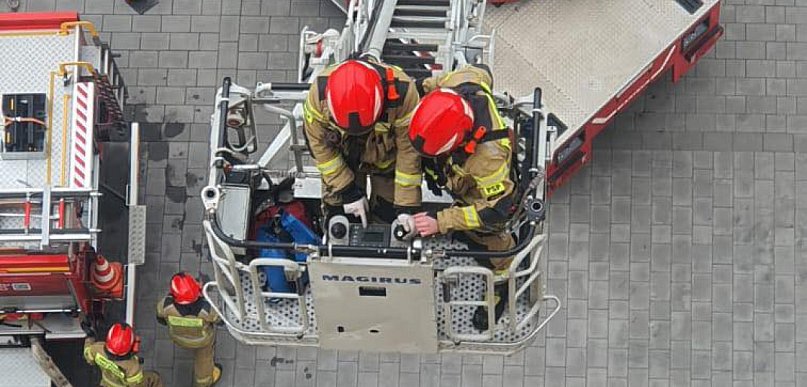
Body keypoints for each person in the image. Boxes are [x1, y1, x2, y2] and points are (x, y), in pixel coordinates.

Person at [408, 64, 516, 330]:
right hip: (455, 174)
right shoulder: (462, 81)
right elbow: (482, 70)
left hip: (482, 198)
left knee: (496, 245)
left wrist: (441, 221)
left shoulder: (487, 159)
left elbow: (496, 210)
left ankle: (499, 287)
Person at [302, 56, 422, 229]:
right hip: (343, 160)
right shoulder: (318, 98)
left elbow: (409, 151)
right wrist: (347, 191)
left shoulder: (403, 94)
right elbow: (321, 150)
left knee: (388, 218)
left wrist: (406, 206)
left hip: (386, 162)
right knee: (339, 218)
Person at [156, 273, 222, 387]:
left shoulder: (165, 306)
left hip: (178, 338)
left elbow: (161, 320)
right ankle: (205, 382)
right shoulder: (206, 309)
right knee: (204, 360)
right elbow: (219, 320)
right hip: (202, 342)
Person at [83, 322, 163, 387]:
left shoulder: (96, 349)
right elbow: (135, 384)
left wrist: (90, 337)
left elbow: (88, 357)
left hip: (106, 382)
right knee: (154, 378)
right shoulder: (133, 367)